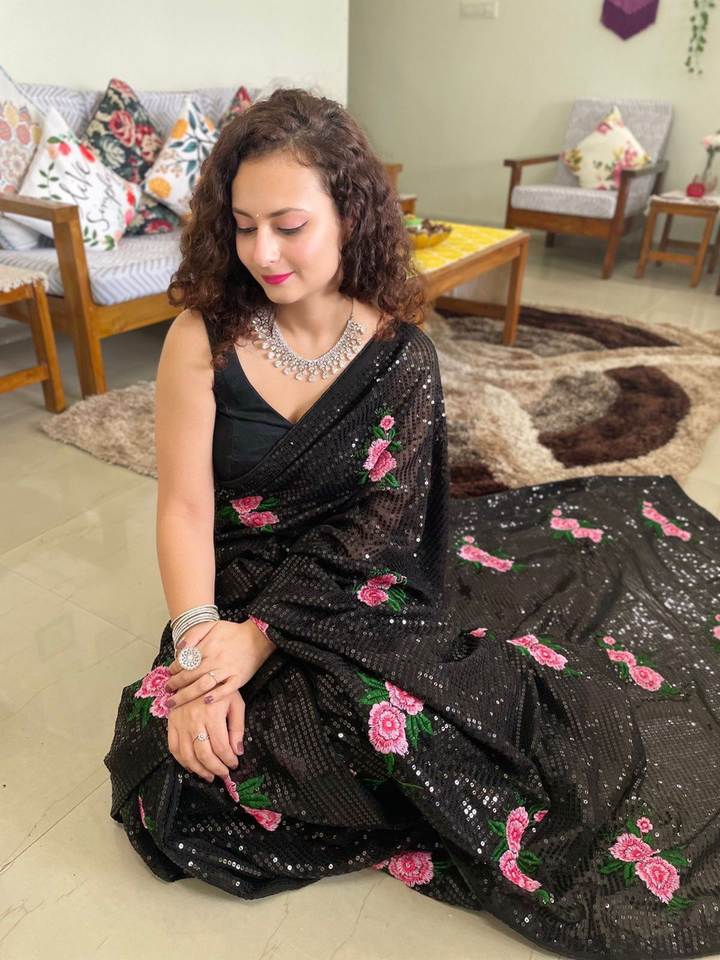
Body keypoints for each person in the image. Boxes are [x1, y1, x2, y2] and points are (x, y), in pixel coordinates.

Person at [104, 88, 720, 959]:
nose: (262, 252)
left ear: (350, 216)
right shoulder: (204, 338)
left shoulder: (399, 355)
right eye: (243, 227)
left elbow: (383, 529)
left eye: (289, 225)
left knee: (382, 720)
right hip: (234, 572)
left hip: (361, 580)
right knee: (174, 777)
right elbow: (184, 506)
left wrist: (262, 639)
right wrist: (201, 649)